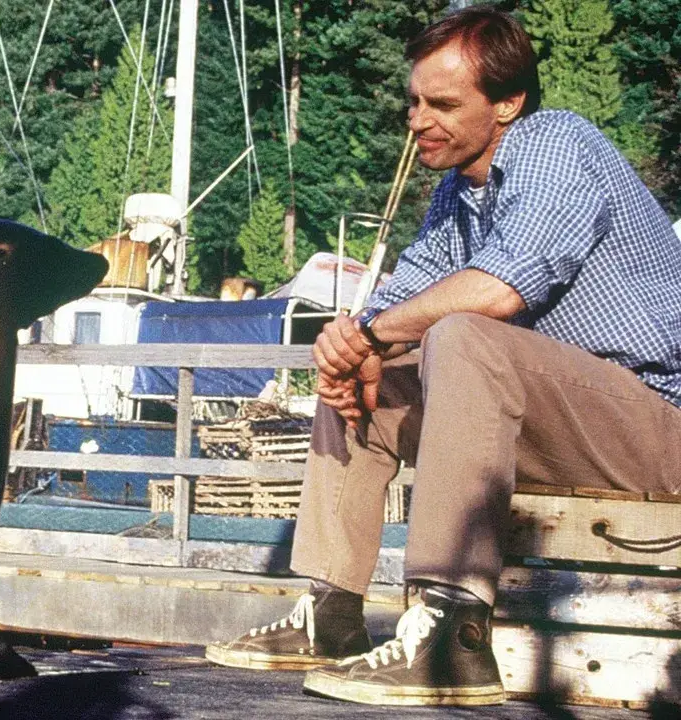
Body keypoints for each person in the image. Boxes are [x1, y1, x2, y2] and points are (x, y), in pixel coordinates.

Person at [207, 6, 681, 707]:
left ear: (508, 103)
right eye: (415, 102)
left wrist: (374, 334)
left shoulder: (558, 144)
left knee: (461, 334)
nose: (417, 120)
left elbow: (500, 286)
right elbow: (406, 295)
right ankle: (331, 612)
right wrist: (350, 342)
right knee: (365, 378)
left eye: (443, 105)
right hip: (561, 424)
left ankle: (454, 635)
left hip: (655, 428)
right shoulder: (459, 191)